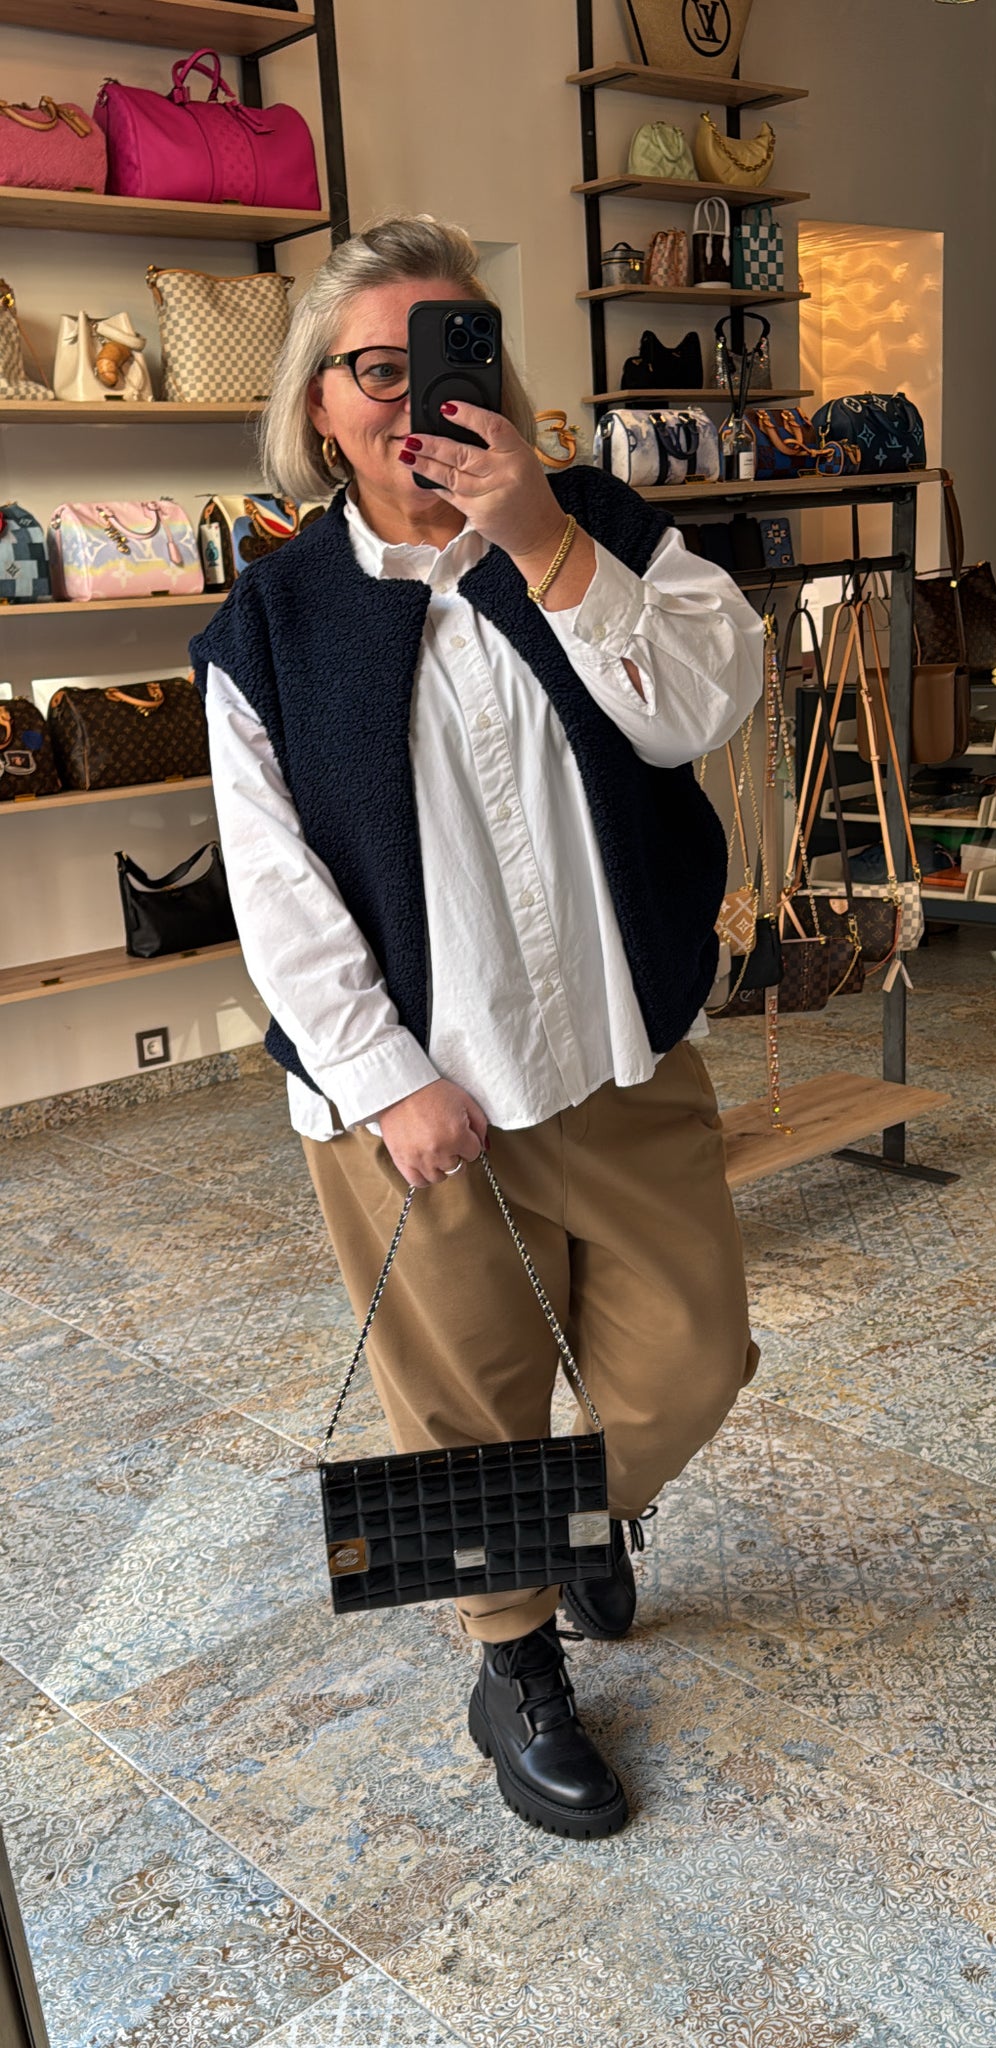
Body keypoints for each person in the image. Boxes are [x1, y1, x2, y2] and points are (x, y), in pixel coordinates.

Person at [192, 213, 763, 1841]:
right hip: (418, 1109)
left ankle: (566, 1524)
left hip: (615, 1057)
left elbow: (700, 707)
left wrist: (545, 541)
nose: (413, 397)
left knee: (694, 1359)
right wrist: (383, 1078)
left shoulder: (597, 527)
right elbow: (276, 888)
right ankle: (513, 1665)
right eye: (373, 369)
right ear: (319, 407)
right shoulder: (273, 624)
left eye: (449, 357)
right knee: (463, 1412)